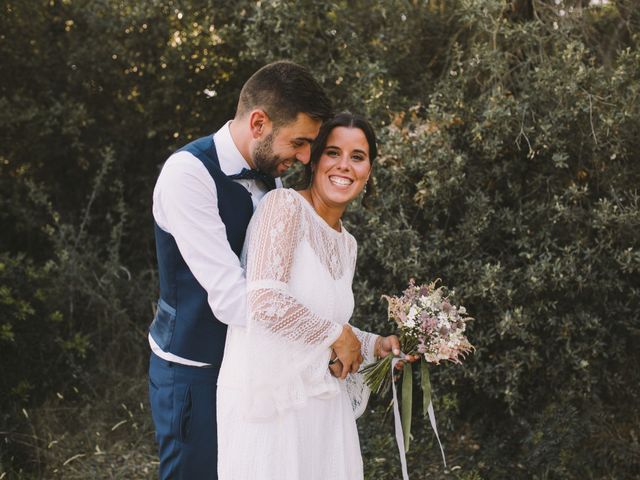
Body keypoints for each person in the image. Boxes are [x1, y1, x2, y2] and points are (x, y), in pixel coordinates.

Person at [147, 62, 364, 480]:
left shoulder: (274, 182)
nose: (305, 157)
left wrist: (360, 342)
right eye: (299, 142)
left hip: (257, 375)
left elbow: (288, 288)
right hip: (195, 370)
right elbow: (236, 300)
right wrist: (327, 337)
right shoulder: (187, 175)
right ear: (259, 122)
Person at [217, 112, 407, 479]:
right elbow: (266, 301)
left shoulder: (347, 243)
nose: (344, 166)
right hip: (272, 409)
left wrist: (374, 345)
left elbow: (327, 323)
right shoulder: (284, 207)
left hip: (322, 409)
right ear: (315, 159)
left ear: (369, 170)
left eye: (357, 157)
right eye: (333, 152)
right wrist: (339, 336)